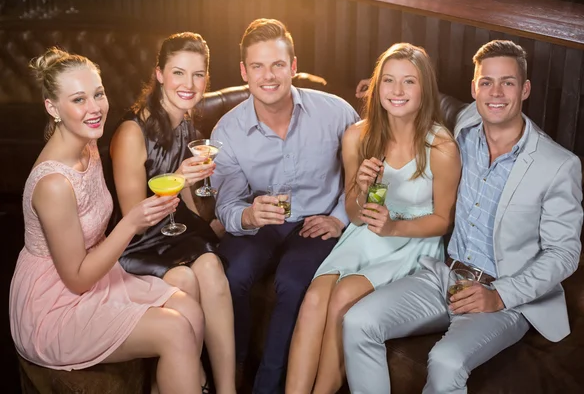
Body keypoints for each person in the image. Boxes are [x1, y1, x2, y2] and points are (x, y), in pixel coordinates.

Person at [343, 40, 583, 393]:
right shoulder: (463, 125)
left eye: (508, 82)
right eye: (486, 82)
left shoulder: (558, 165)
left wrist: (499, 295)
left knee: (446, 360)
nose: (496, 93)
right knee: (357, 321)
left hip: (505, 297)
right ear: (474, 89)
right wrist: (378, 88)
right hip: (445, 276)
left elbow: (565, 254)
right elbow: (419, 102)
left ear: (525, 88)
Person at [9, 47, 206, 394]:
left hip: (99, 275)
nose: (95, 108)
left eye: (98, 94)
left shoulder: (87, 146)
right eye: (79, 99)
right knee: (174, 330)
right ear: (52, 108)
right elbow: (77, 280)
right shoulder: (53, 184)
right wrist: (131, 222)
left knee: (189, 306)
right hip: (55, 305)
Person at [285, 43, 461, 394]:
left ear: (424, 88)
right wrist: (362, 189)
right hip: (364, 236)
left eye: (408, 82)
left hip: (412, 241)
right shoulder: (358, 137)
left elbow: (442, 220)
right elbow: (353, 213)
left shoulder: (441, 147)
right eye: (389, 81)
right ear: (377, 86)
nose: (397, 92)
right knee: (314, 299)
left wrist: (394, 226)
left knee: (343, 297)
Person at [210, 19, 360, 394]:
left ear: (293, 67)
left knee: (293, 283)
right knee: (231, 275)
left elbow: (365, 174)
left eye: (278, 64)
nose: (269, 76)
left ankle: (267, 387)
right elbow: (226, 202)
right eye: (257, 66)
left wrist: (340, 217)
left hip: (316, 222)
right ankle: (232, 371)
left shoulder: (337, 113)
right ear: (244, 72)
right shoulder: (226, 132)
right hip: (259, 223)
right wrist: (247, 214)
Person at [109, 32, 235, 394]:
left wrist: (208, 208)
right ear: (160, 74)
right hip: (139, 243)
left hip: (175, 231)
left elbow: (191, 199)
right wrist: (180, 177)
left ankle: (227, 389)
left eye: (198, 75)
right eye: (178, 72)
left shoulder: (185, 126)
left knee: (211, 266)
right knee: (184, 281)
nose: (189, 84)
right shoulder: (132, 133)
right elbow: (134, 216)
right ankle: (193, 382)